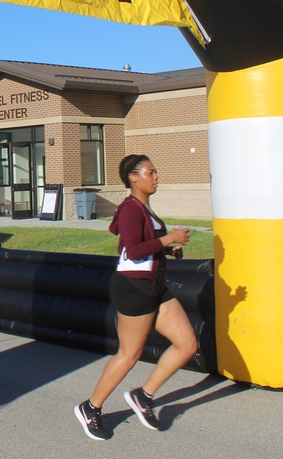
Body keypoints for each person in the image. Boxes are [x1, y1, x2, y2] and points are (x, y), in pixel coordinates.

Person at [74, 154, 197, 441]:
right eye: (150, 172)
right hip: (134, 288)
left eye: (155, 172)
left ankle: (143, 395)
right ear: (133, 177)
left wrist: (167, 251)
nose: (156, 177)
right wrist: (169, 239)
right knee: (129, 354)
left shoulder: (145, 208)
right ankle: (90, 408)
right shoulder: (130, 208)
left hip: (154, 285)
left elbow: (143, 248)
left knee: (187, 344)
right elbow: (134, 249)